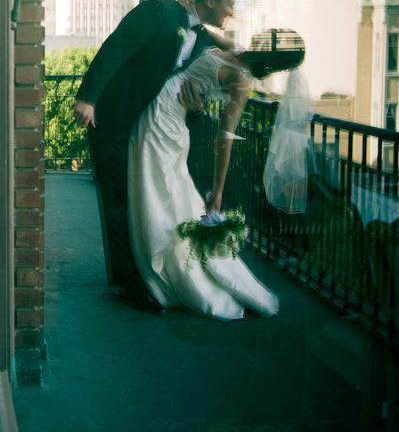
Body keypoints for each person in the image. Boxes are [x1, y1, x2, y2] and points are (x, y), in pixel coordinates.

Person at [73, 0, 236, 309]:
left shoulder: (203, 41)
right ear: (210, 0)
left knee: (141, 200)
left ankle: (146, 275)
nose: (230, 12)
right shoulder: (159, 12)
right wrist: (89, 97)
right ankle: (130, 285)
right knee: (118, 199)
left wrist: (194, 107)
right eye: (228, 4)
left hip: (151, 129)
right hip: (114, 118)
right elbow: (116, 47)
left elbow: (184, 88)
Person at [127, 31, 305, 320]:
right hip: (158, 110)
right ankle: (157, 268)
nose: (266, 33)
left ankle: (171, 276)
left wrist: (217, 191)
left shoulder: (242, 80)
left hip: (167, 125)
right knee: (163, 193)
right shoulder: (231, 48)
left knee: (160, 194)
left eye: (273, 36)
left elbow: (226, 137)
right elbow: (200, 29)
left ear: (271, 54)